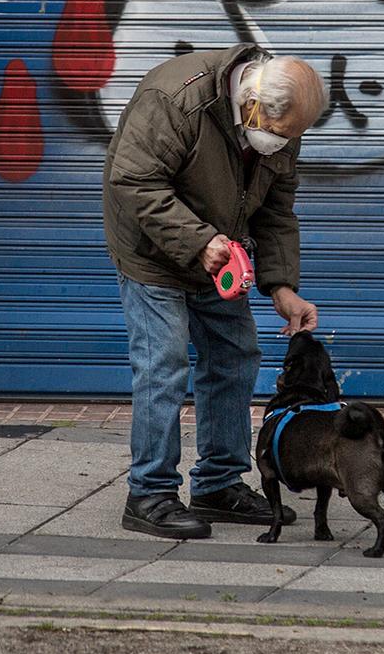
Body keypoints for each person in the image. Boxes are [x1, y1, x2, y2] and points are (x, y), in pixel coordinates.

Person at [103, 45, 325, 539]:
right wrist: (199, 241)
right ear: (251, 104)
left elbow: (275, 209)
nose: (283, 144)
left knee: (235, 354)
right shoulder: (175, 100)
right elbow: (134, 182)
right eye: (279, 134)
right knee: (163, 365)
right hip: (150, 248)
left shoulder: (280, 120)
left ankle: (218, 484)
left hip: (221, 248)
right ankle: (150, 493)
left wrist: (282, 286)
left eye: (292, 137)